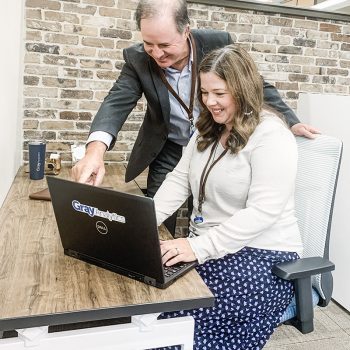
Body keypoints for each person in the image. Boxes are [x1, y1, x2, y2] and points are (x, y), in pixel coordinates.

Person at [71, 0, 319, 234]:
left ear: (186, 30)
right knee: (156, 218)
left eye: (165, 45)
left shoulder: (218, 43)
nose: (157, 54)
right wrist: (94, 152)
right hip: (168, 149)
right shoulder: (137, 59)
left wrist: (291, 121)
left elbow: (255, 85)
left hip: (211, 145)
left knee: (202, 215)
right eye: (149, 44)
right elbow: (116, 102)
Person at [152, 44, 303, 349]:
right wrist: (142, 224)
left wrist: (198, 247)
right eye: (205, 93)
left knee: (173, 319)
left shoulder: (272, 136)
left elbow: (262, 213)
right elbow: (179, 180)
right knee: (152, 295)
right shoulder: (206, 131)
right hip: (213, 248)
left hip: (263, 258)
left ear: (242, 89)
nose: (209, 102)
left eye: (219, 94)